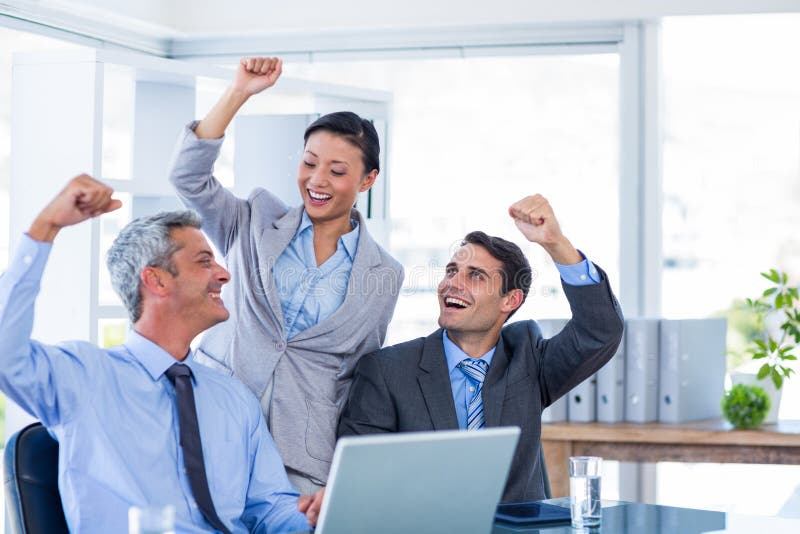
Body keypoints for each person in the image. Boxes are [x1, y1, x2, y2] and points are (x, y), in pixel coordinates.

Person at [0, 174, 325, 533]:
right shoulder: (85, 376)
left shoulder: (235, 399)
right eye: (204, 261)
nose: (223, 274)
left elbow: (269, 512)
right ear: (156, 281)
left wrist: (313, 514)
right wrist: (47, 227)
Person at [168, 57, 403, 493]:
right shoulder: (255, 218)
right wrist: (238, 92)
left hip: (303, 457)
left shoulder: (385, 273)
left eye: (337, 171)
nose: (317, 180)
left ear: (367, 180)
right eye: (310, 162)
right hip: (212, 423)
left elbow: (357, 373)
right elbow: (188, 176)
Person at [338, 194, 624, 503]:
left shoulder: (528, 362)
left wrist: (556, 244)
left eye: (475, 275)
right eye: (451, 271)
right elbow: (362, 483)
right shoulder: (386, 371)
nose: (452, 283)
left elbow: (600, 329)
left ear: (510, 301)